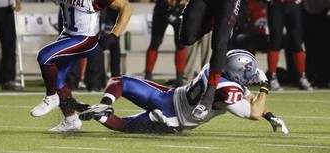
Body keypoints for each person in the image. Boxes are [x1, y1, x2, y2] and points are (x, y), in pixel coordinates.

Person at [24, 0, 133, 132]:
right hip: (68, 34)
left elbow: (126, 7)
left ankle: (51, 97)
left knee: (45, 56)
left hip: (86, 38)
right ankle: (71, 120)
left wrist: (114, 35)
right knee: (58, 81)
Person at [78, 49, 289, 135]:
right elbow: (254, 111)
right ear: (236, 73)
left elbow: (253, 101)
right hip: (174, 119)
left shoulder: (214, 67)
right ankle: (102, 116)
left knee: (119, 81)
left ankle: (104, 105)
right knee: (123, 125)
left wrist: (269, 115)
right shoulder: (228, 90)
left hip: (169, 96)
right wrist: (265, 86)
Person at [144, 0, 196, 87]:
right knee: (155, 41)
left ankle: (179, 79)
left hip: (180, 7)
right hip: (162, 7)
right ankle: (148, 76)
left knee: (180, 44)